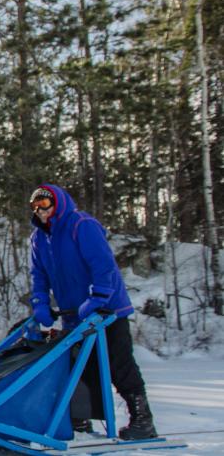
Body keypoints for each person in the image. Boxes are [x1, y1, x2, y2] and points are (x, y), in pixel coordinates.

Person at [28, 184, 157, 440]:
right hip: (75, 315)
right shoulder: (38, 238)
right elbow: (38, 276)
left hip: (109, 310)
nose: (40, 211)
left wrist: (98, 297)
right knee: (77, 368)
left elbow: (103, 265)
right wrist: (40, 303)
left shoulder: (81, 225)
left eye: (44, 204)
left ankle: (142, 420)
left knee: (119, 365)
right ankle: (80, 421)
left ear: (58, 203)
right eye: (35, 206)